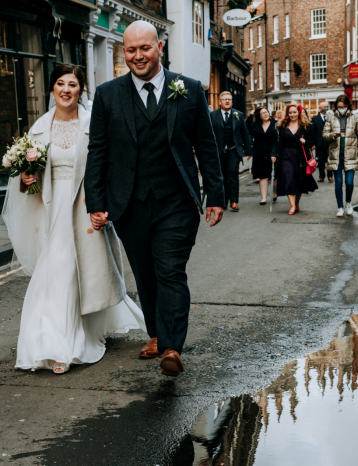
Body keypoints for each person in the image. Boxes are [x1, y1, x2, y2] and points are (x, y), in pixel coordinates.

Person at [85, 21, 225, 377]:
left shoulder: (189, 91)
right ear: (123, 51)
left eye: (144, 49)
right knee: (145, 274)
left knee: (170, 270)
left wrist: (216, 195)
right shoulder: (107, 95)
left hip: (176, 201)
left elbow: (207, 148)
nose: (137, 56)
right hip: (129, 202)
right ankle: (156, 332)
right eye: (130, 50)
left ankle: (173, 347)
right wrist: (95, 202)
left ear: (159, 47)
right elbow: (98, 152)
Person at [2, 64, 146, 374]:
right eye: (60, 84)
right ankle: (50, 344)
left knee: (80, 270)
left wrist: (105, 207)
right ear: (51, 90)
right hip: (52, 211)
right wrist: (26, 178)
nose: (66, 89)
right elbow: (29, 177)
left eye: (72, 84)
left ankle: (70, 343)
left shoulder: (95, 123)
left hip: (84, 205)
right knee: (56, 272)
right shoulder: (39, 128)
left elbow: (111, 166)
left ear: (81, 90)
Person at [323, 95, 358, 217]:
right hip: (336, 155)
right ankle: (340, 207)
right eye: (339, 107)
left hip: (351, 155)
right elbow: (324, 135)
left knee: (349, 182)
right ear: (336, 106)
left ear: (348, 106)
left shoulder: (355, 117)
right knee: (338, 183)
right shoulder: (331, 117)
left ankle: (348, 203)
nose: (342, 109)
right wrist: (332, 135)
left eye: (344, 107)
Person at [210, 91, 252, 212]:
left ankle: (234, 201)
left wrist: (248, 150)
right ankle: (223, 201)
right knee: (222, 177)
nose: (227, 101)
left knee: (233, 176)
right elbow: (208, 134)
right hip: (219, 152)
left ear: (232, 101)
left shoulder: (238, 114)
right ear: (220, 102)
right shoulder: (212, 115)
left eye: (229, 99)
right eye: (224, 99)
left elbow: (245, 133)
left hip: (234, 151)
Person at [273, 103, 318, 215]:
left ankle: (297, 203)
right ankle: (292, 206)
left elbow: (314, 140)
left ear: (298, 113)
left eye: (294, 112)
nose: (292, 114)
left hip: (300, 157)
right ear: (287, 113)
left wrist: (306, 142)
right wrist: (273, 154)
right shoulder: (281, 126)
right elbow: (276, 142)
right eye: (290, 112)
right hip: (285, 156)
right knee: (288, 178)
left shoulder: (306, 126)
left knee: (299, 181)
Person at [248, 106, 278, 204]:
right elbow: (246, 128)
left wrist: (275, 152)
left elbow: (278, 139)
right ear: (259, 116)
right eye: (262, 113)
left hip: (272, 151)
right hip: (259, 152)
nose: (265, 114)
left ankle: (274, 193)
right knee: (262, 175)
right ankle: (263, 198)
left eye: (266, 112)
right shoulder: (256, 125)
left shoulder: (275, 123)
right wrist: (250, 115)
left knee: (274, 175)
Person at [312, 101, 333, 183]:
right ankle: (321, 176)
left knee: (329, 160)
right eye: (324, 106)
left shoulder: (331, 117)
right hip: (320, 143)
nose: (326, 108)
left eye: (327, 106)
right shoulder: (315, 119)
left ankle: (330, 176)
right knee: (321, 161)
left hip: (330, 142)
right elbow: (313, 131)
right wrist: (314, 143)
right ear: (320, 108)